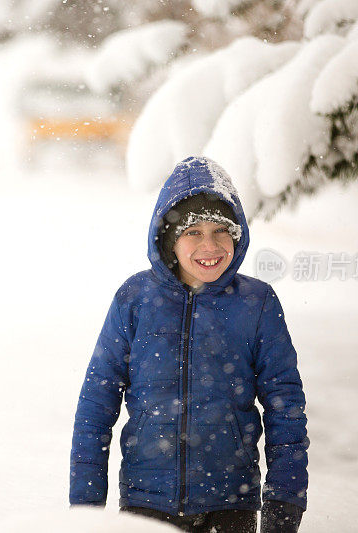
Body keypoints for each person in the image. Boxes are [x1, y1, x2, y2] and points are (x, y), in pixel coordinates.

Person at [69, 156, 308, 533]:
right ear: (169, 238)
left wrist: (284, 501)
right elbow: (96, 405)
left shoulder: (256, 302)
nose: (209, 245)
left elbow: (286, 407)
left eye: (220, 231)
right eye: (193, 232)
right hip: (147, 501)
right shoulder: (135, 299)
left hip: (232, 503)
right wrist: (85, 508)